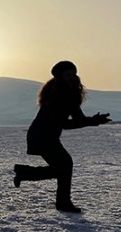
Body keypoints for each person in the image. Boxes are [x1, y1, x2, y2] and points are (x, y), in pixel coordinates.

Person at [13, 61, 110, 213]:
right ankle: (61, 202)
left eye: (73, 75)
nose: (72, 78)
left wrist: (94, 120)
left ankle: (26, 174)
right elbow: (64, 123)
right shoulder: (56, 95)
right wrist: (91, 121)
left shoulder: (70, 94)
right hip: (41, 136)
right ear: (60, 77)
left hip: (49, 136)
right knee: (64, 165)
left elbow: (78, 119)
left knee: (62, 167)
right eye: (67, 75)